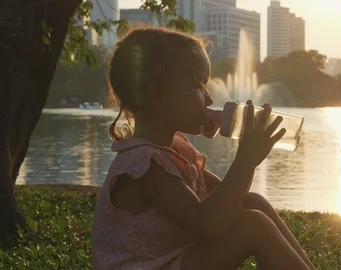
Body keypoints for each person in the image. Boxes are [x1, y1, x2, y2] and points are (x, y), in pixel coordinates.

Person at [91, 27, 316, 270]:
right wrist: (246, 159)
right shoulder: (144, 163)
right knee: (252, 226)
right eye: (199, 87)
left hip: (172, 261)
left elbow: (230, 199)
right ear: (157, 95)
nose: (209, 100)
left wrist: (246, 141)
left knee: (253, 202)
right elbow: (207, 224)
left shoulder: (173, 151)